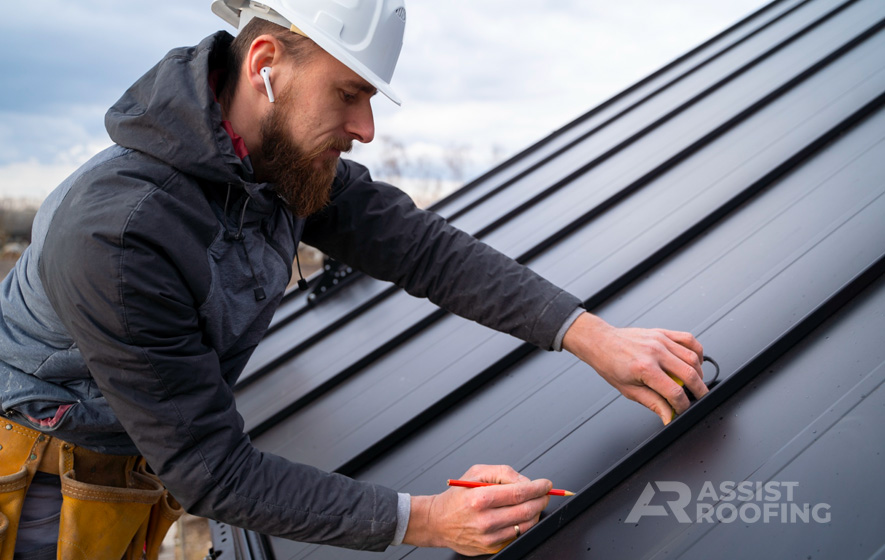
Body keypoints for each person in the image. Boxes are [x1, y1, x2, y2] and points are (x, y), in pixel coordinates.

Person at [0, 1, 707, 558]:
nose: (365, 127)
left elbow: (422, 250)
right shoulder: (122, 234)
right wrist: (430, 520)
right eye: (347, 94)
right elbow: (211, 469)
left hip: (136, 460)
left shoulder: (273, 160)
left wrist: (590, 335)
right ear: (265, 64)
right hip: (41, 478)